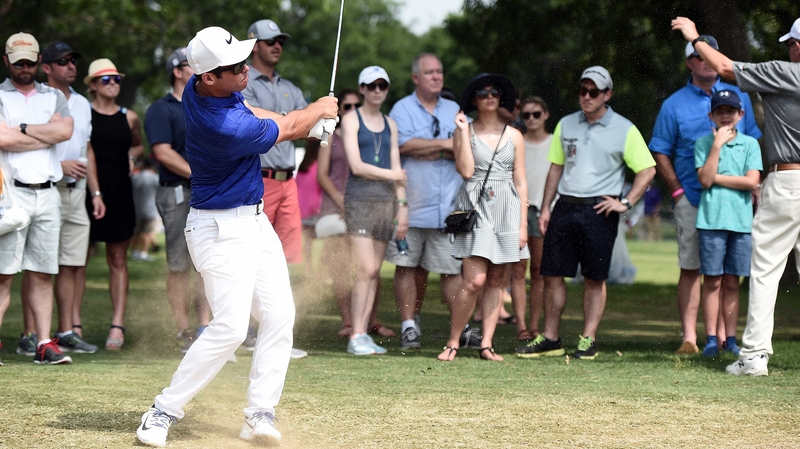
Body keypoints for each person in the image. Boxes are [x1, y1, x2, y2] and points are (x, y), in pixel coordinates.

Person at [135, 26, 338, 447]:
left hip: (254, 222)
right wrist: (318, 110)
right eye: (235, 66)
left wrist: (311, 121)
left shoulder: (203, 87)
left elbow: (259, 113)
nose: (245, 68)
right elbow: (281, 128)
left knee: (280, 315)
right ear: (209, 76)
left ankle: (259, 413)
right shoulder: (223, 126)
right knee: (229, 328)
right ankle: (162, 411)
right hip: (217, 228)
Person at [672, 17, 800, 376]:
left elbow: (725, 68)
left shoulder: (786, 72)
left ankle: (754, 355)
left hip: (789, 180)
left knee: (764, 270)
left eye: (792, 42)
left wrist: (694, 38)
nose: (789, 48)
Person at [516, 66, 656, 360]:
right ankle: (551, 337)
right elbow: (556, 167)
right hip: (565, 205)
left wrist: (626, 203)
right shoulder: (567, 124)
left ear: (608, 94)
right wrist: (545, 208)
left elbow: (647, 170)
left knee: (595, 277)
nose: (587, 97)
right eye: (583, 91)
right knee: (552, 273)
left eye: (594, 92)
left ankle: (588, 338)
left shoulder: (625, 128)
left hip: (599, 208)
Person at [649, 35, 761, 355]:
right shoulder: (674, 104)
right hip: (692, 198)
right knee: (692, 268)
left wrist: (754, 189)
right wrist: (677, 190)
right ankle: (691, 337)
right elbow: (659, 150)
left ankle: (726, 338)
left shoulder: (741, 97)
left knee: (728, 275)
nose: (706, 62)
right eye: (698, 57)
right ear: (689, 63)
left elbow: (752, 142)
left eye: (710, 56)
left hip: (734, 204)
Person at [437, 73, 529, 362]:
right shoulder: (463, 131)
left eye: (494, 92)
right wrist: (463, 132)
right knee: (475, 280)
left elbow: (522, 181)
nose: (489, 96)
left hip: (507, 207)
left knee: (497, 281)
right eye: (482, 92)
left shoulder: (515, 135)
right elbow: (465, 171)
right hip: (475, 206)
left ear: (501, 97)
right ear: (474, 100)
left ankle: (487, 344)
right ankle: (453, 341)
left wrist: (523, 224)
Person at [385, 53, 467, 350]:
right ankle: (408, 326)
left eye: (439, 72)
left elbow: (465, 148)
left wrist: (431, 148)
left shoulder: (455, 110)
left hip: (448, 207)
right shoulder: (402, 109)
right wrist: (447, 144)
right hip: (413, 205)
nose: (436, 76)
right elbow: (402, 145)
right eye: (430, 72)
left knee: (451, 270)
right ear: (416, 78)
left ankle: (461, 328)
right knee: (406, 266)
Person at [0, 32, 74, 364]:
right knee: (3, 273)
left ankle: (44, 343)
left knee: (43, 272)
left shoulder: (54, 95)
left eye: (31, 62)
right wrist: (42, 133)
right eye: (19, 63)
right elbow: (2, 140)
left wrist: (22, 130)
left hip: (47, 192)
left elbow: (64, 132)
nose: (25, 68)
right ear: (7, 62)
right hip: (10, 195)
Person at [241, 19, 308, 358]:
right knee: (249, 257)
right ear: (254, 45)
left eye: (279, 40)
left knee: (283, 259)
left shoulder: (291, 87)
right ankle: (243, 331)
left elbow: (307, 127)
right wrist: (295, 118)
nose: (276, 45)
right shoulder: (242, 82)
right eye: (269, 41)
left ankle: (273, 335)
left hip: (288, 181)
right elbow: (263, 121)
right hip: (259, 178)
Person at [144, 47, 210, 352]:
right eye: (189, 64)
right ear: (176, 71)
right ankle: (183, 329)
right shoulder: (162, 108)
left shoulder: (206, 104)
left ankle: (205, 327)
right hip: (177, 192)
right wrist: (198, 174)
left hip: (206, 192)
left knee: (205, 264)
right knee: (179, 264)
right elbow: (162, 152)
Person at [41, 40, 105, 353]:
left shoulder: (81, 103)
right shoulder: (37, 99)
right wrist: (58, 164)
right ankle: (32, 336)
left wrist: (95, 191)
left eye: (72, 60)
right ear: (46, 67)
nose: (70, 65)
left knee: (72, 265)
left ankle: (65, 331)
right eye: (63, 61)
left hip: (78, 192)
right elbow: (24, 147)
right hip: (45, 188)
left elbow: (87, 149)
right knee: (39, 265)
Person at [340, 66, 407, 356]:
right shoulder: (350, 119)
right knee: (365, 268)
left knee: (374, 271)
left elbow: (396, 166)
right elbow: (356, 166)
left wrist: (403, 206)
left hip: (386, 201)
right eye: (372, 85)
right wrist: (393, 176)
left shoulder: (390, 124)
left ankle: (363, 332)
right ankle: (356, 334)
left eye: (383, 85)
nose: (377, 90)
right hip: (360, 200)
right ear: (362, 88)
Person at [317, 88, 394, 338]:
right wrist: (342, 202)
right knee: (342, 267)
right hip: (338, 206)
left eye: (354, 106)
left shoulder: (371, 135)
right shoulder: (331, 135)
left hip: (365, 204)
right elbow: (322, 175)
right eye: (345, 106)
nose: (351, 110)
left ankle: (370, 319)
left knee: (370, 267)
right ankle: (348, 321)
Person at [694, 90, 762, 357]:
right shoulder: (703, 143)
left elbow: (751, 181)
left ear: (740, 115)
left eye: (730, 111)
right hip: (711, 221)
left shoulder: (750, 144)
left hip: (741, 222)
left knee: (733, 281)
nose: (725, 116)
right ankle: (711, 337)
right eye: (720, 111)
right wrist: (717, 145)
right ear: (711, 115)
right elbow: (703, 180)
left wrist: (716, 177)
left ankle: (730, 338)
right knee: (712, 280)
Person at [84, 58, 143, 350]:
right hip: (87, 190)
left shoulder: (130, 116)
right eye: (105, 79)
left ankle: (117, 325)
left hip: (120, 191)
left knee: (118, 260)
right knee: (76, 262)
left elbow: (138, 143)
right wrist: (94, 193)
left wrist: (133, 158)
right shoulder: (83, 116)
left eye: (116, 79)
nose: (112, 84)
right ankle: (72, 327)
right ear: (93, 84)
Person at [509, 96, 551, 341]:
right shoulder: (517, 142)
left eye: (536, 114)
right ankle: (521, 325)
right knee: (517, 270)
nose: (532, 119)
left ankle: (534, 325)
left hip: (543, 209)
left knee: (539, 271)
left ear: (546, 114)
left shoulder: (555, 142)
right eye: (526, 115)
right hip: (517, 209)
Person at [295, 143, 323, 277]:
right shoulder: (318, 167)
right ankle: (321, 271)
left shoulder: (302, 167)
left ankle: (308, 270)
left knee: (308, 242)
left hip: (301, 209)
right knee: (329, 239)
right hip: (315, 208)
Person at [130, 157, 159, 262]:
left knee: (136, 232)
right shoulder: (155, 177)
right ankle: (143, 252)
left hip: (136, 208)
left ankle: (134, 251)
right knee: (148, 232)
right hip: (151, 209)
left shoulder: (135, 177)